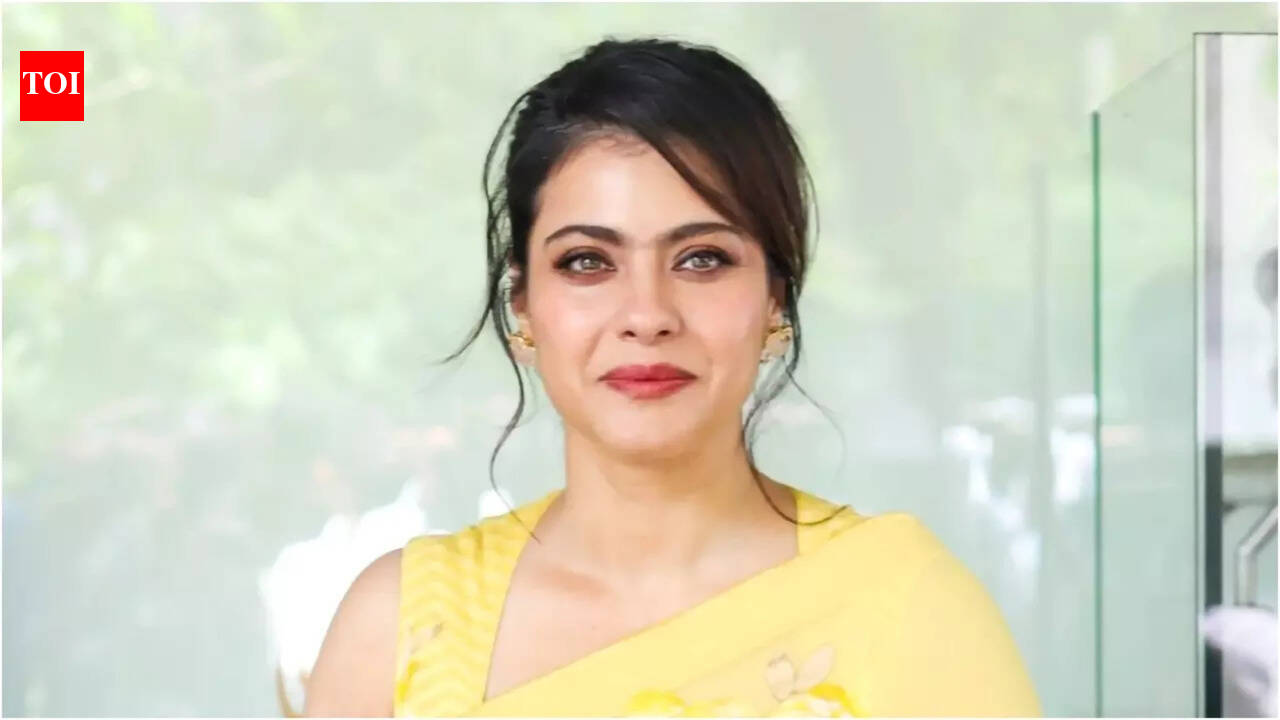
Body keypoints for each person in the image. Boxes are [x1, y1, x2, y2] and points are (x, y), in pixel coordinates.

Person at [304, 36, 1041, 717]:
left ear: (775, 297)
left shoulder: (905, 605)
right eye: (588, 262)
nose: (647, 315)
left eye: (702, 259)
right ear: (523, 305)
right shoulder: (396, 628)